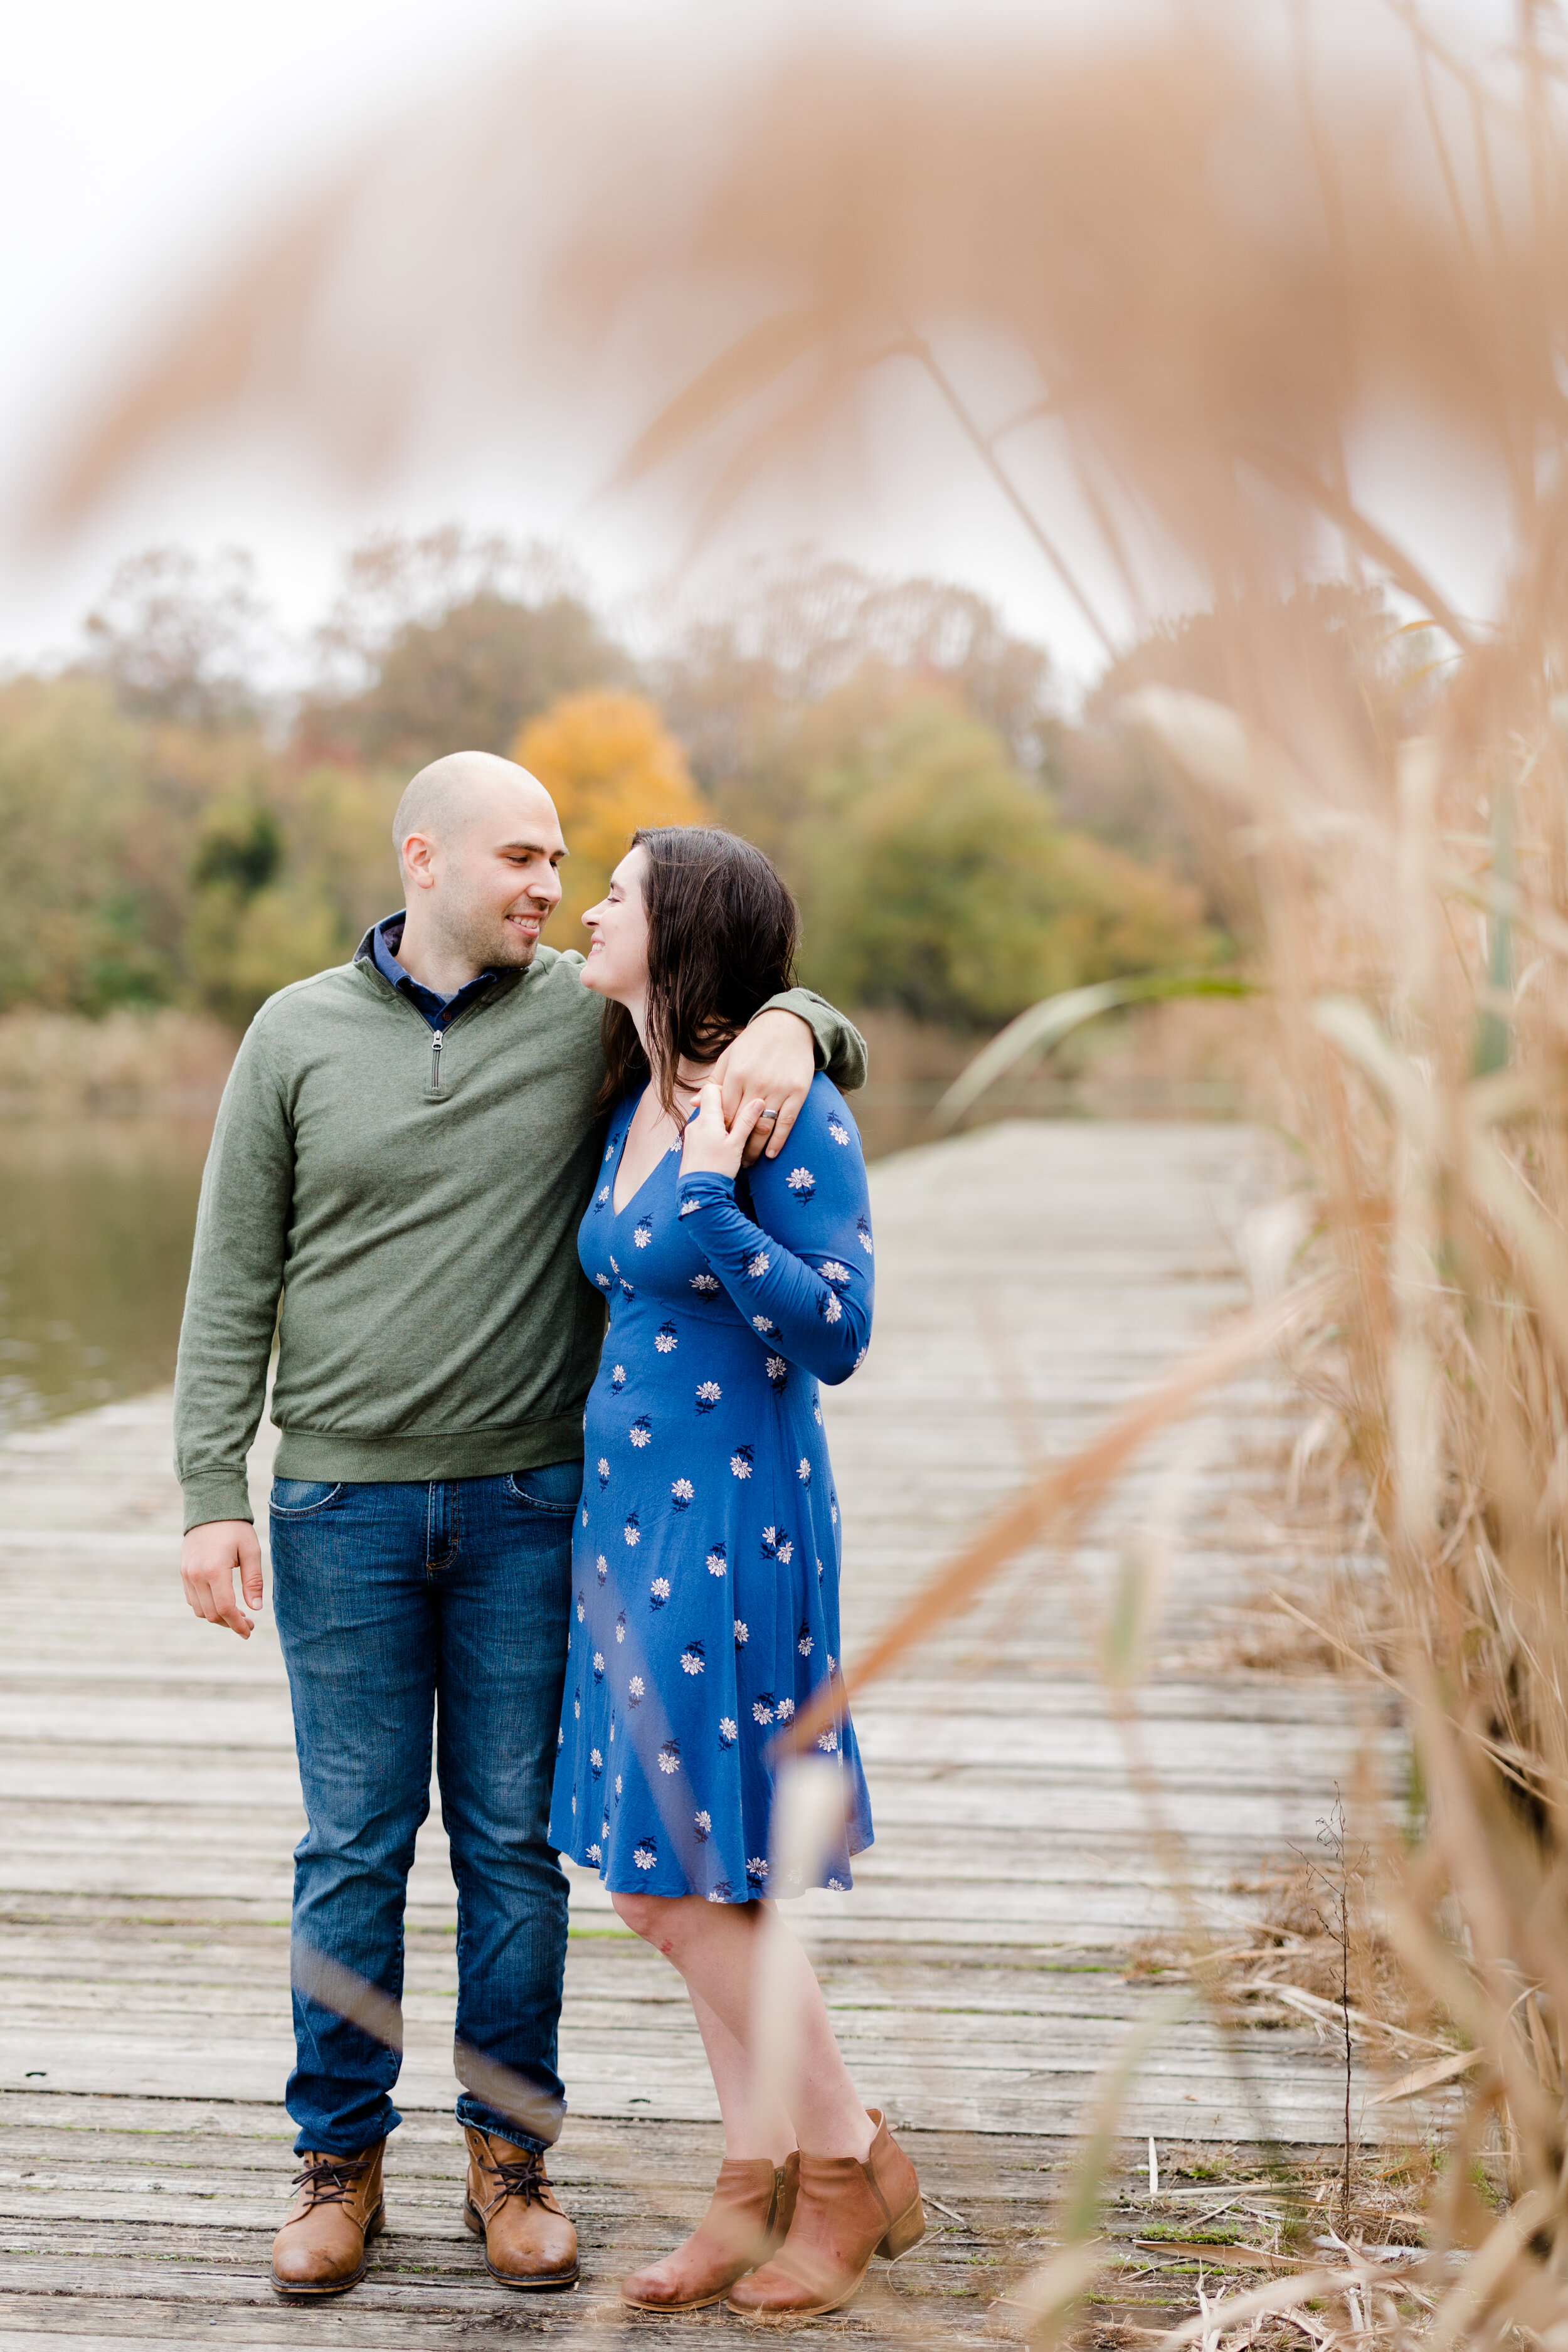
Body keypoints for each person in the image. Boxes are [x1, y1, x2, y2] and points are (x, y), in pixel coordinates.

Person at [172, 751, 867, 2302]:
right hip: (338, 1500)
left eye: (568, 867)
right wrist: (211, 1491)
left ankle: (512, 2156)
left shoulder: (585, 1018)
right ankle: (336, 2160)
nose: (550, 891)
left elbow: (791, 1016)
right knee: (350, 1848)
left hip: (530, 1504)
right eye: (523, 861)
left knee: (510, 1854)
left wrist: (785, 1020)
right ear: (425, 856)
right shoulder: (293, 1034)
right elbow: (230, 1284)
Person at [549, 825, 923, 2321]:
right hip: (620, 1520)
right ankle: (747, 2182)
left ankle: (848, 2161)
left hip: (732, 1522)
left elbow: (837, 1330)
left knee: (667, 1886)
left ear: (683, 928)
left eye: (617, 896)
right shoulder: (633, 1087)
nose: (588, 908)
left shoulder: (786, 1111)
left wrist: (711, 1200)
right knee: (700, 1868)